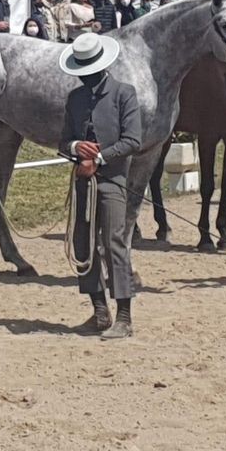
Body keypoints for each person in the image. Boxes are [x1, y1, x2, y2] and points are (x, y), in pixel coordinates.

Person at [58, 32, 143, 340]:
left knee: (114, 244)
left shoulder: (124, 94)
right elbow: (63, 141)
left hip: (112, 181)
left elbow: (133, 140)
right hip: (83, 181)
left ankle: (124, 315)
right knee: (83, 244)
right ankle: (99, 310)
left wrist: (101, 158)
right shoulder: (75, 99)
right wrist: (76, 146)